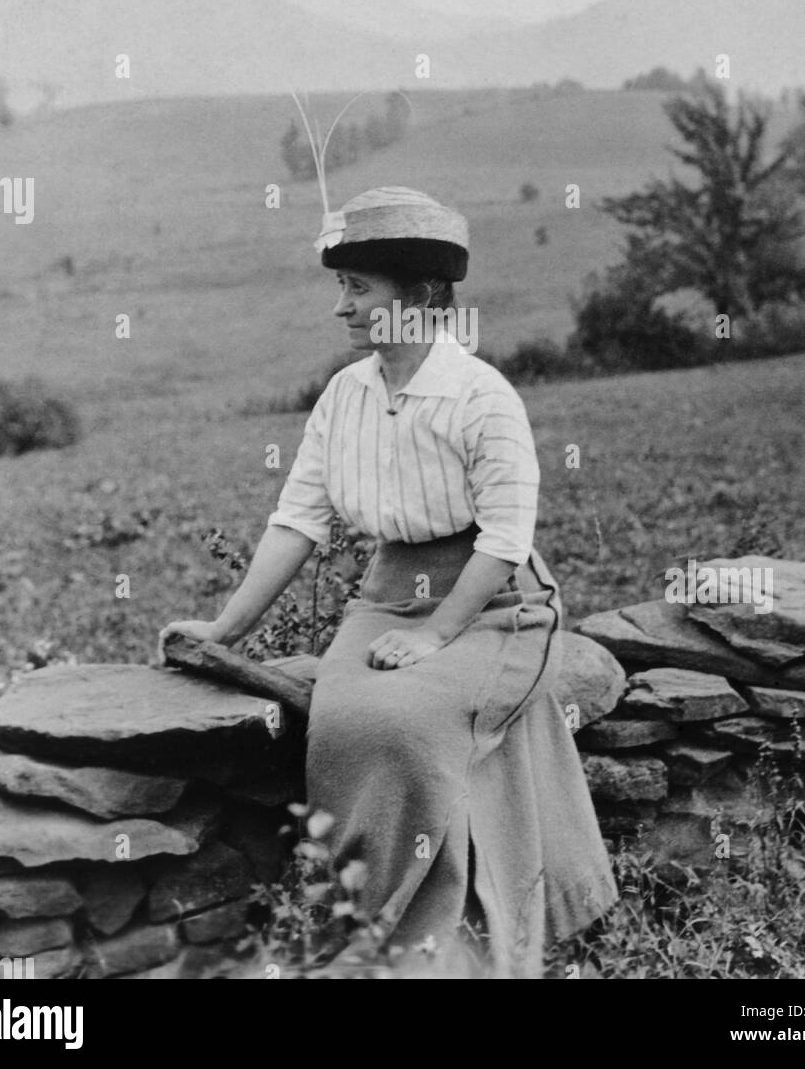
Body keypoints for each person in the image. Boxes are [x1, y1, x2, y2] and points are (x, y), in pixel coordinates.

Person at [159, 185, 617, 977]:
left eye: (357, 287)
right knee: (342, 723)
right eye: (341, 286)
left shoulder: (482, 398)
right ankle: (362, 925)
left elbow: (507, 538)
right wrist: (225, 631)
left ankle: (434, 946)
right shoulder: (344, 397)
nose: (341, 307)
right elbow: (296, 520)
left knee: (403, 723)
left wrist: (437, 634)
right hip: (385, 596)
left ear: (422, 297)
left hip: (496, 606)